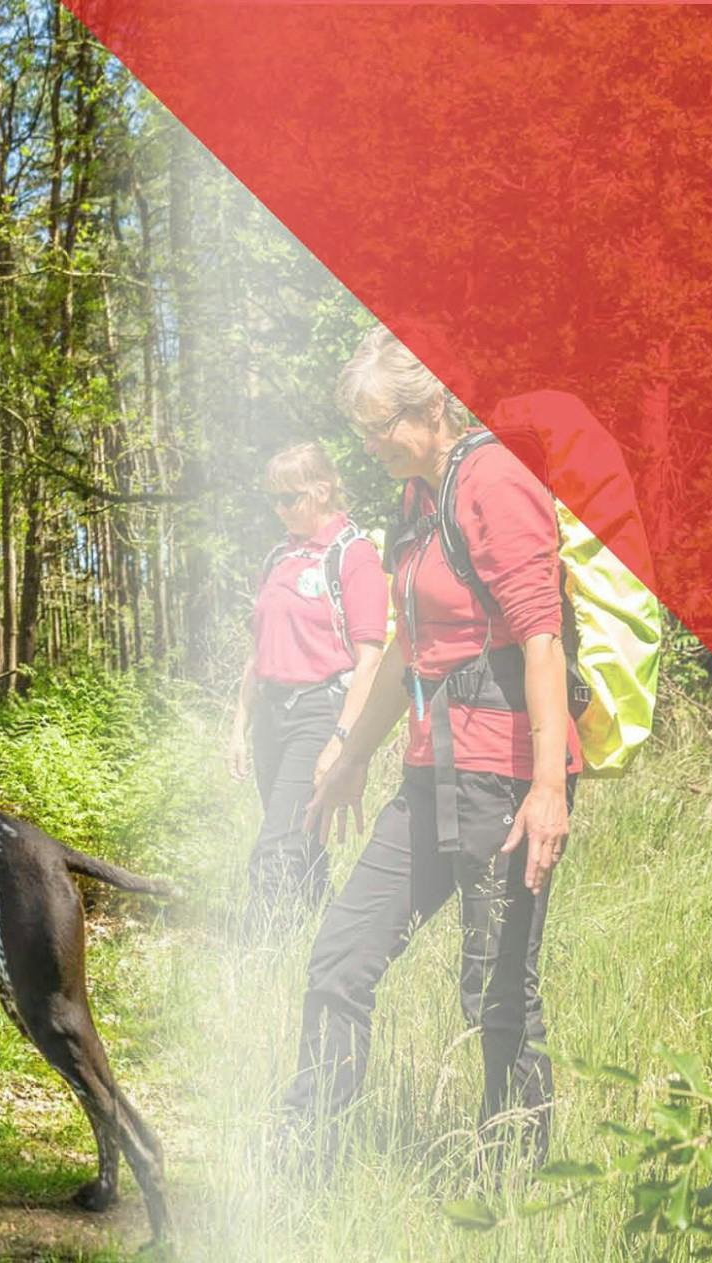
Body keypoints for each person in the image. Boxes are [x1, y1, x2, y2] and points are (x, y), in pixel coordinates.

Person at [286, 327, 574, 1164]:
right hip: (428, 772)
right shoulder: (417, 499)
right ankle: (306, 1149)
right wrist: (348, 757)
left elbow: (542, 639)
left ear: (434, 406)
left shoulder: (498, 483)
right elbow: (407, 647)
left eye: (380, 427)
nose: (369, 445)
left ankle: (514, 1182)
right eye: (362, 430)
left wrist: (548, 789)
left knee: (495, 987)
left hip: (505, 778)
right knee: (341, 951)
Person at [233, 442, 384, 929]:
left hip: (320, 712)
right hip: (272, 715)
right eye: (272, 499)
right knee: (303, 841)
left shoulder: (352, 554)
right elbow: (258, 652)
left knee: (275, 848)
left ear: (322, 490)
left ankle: (257, 961)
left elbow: (370, 659)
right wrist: (239, 726)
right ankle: (320, 939)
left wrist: (341, 740)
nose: (280, 509)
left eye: (289, 497)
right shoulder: (279, 555)